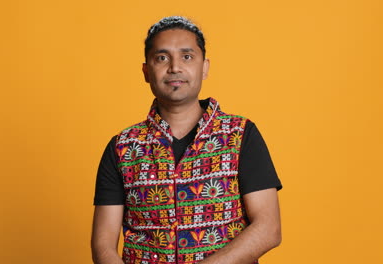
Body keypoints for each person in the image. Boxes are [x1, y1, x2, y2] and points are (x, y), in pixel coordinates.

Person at [91, 16, 282, 264]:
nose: (175, 67)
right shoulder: (123, 147)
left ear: (205, 67)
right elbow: (103, 246)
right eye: (162, 58)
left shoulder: (240, 134)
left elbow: (269, 229)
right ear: (146, 71)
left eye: (187, 56)